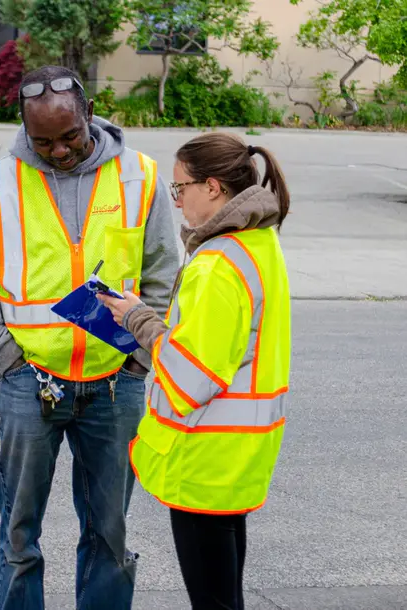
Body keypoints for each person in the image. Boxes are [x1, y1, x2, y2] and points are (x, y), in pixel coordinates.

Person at [0, 65, 179, 610]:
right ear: (24, 129)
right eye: (43, 141)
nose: (57, 150)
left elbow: (164, 274)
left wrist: (139, 363)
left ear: (90, 115)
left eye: (69, 136)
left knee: (109, 532)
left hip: (116, 382)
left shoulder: (140, 177)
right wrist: (10, 362)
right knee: (19, 534)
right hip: (29, 382)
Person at [98, 132, 292, 610]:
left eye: (180, 188)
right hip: (240, 452)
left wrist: (137, 319)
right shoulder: (259, 244)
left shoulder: (216, 264)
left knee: (214, 602)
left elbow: (190, 376)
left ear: (212, 188)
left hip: (204, 456)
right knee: (226, 597)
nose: (177, 200)